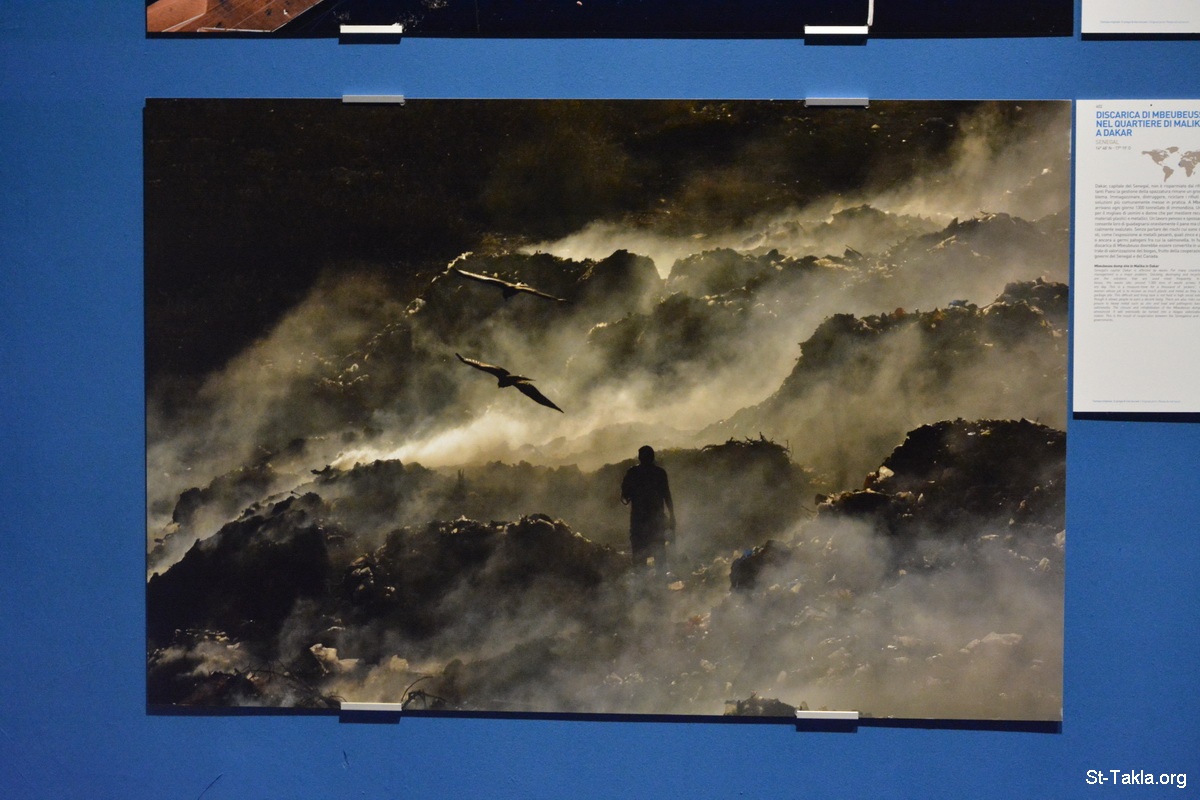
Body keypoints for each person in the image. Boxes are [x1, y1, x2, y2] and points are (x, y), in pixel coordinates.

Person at [620, 445, 676, 574]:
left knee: (639, 556)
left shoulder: (632, 473)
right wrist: (672, 515)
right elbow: (667, 495)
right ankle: (661, 582)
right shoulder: (660, 473)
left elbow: (625, 496)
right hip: (656, 520)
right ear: (653, 457)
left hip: (638, 521)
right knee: (659, 554)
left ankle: (642, 584)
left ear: (639, 457)